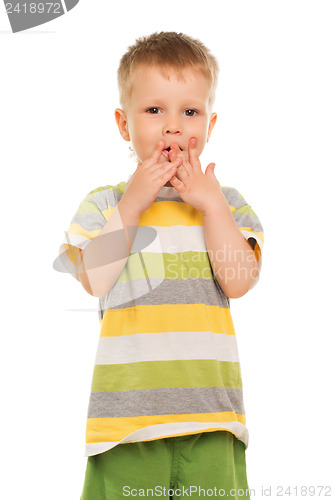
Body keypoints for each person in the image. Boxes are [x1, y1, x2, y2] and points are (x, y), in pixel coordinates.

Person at [56, 31, 264, 499]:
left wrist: (211, 208)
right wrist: (132, 204)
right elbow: (94, 279)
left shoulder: (227, 206)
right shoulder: (106, 203)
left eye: (189, 112)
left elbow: (238, 281)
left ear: (209, 124)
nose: (173, 127)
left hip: (212, 419)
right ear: (124, 124)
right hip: (126, 426)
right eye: (154, 110)